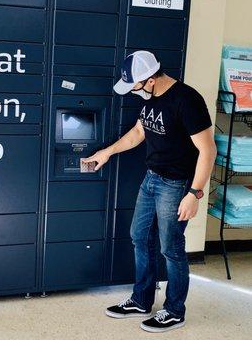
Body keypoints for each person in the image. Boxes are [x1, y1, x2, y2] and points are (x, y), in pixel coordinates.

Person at [82, 50, 217, 333]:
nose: (132, 91)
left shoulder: (187, 100)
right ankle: (142, 300)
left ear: (150, 79)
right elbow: (138, 133)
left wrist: (194, 193)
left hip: (176, 184)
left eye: (134, 86)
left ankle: (174, 310)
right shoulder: (151, 98)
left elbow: (208, 149)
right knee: (139, 236)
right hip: (151, 179)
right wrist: (105, 153)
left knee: (172, 249)